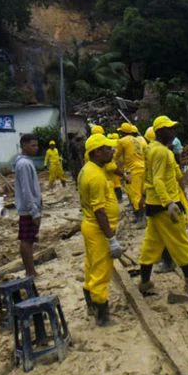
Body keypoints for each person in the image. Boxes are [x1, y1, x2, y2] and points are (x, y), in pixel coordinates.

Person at [137, 115, 188, 295]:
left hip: (153, 204)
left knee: (151, 244)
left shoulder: (151, 149)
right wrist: (169, 203)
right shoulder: (161, 152)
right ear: (159, 132)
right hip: (166, 206)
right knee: (181, 243)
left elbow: (149, 177)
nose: (173, 132)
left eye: (173, 128)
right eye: (169, 129)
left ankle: (145, 282)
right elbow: (158, 180)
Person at [79, 133, 125, 326]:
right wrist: (111, 238)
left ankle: (91, 303)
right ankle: (102, 315)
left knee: (91, 266)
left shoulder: (91, 168)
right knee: (101, 272)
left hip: (91, 227)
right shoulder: (95, 176)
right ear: (97, 152)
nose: (111, 151)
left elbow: (112, 167)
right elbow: (99, 210)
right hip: (98, 229)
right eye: (107, 149)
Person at [15, 134, 44, 278]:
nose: (36, 148)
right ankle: (30, 271)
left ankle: (31, 270)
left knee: (30, 239)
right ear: (24, 146)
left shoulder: (26, 162)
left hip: (30, 208)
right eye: (33, 145)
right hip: (28, 210)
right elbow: (26, 190)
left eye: (36, 145)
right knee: (26, 240)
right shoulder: (24, 164)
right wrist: (34, 211)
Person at [114, 123, 147, 219]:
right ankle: (143, 216)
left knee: (135, 195)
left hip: (132, 170)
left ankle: (140, 218)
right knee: (142, 194)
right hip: (142, 168)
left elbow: (117, 156)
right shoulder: (137, 140)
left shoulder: (122, 141)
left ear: (122, 132)